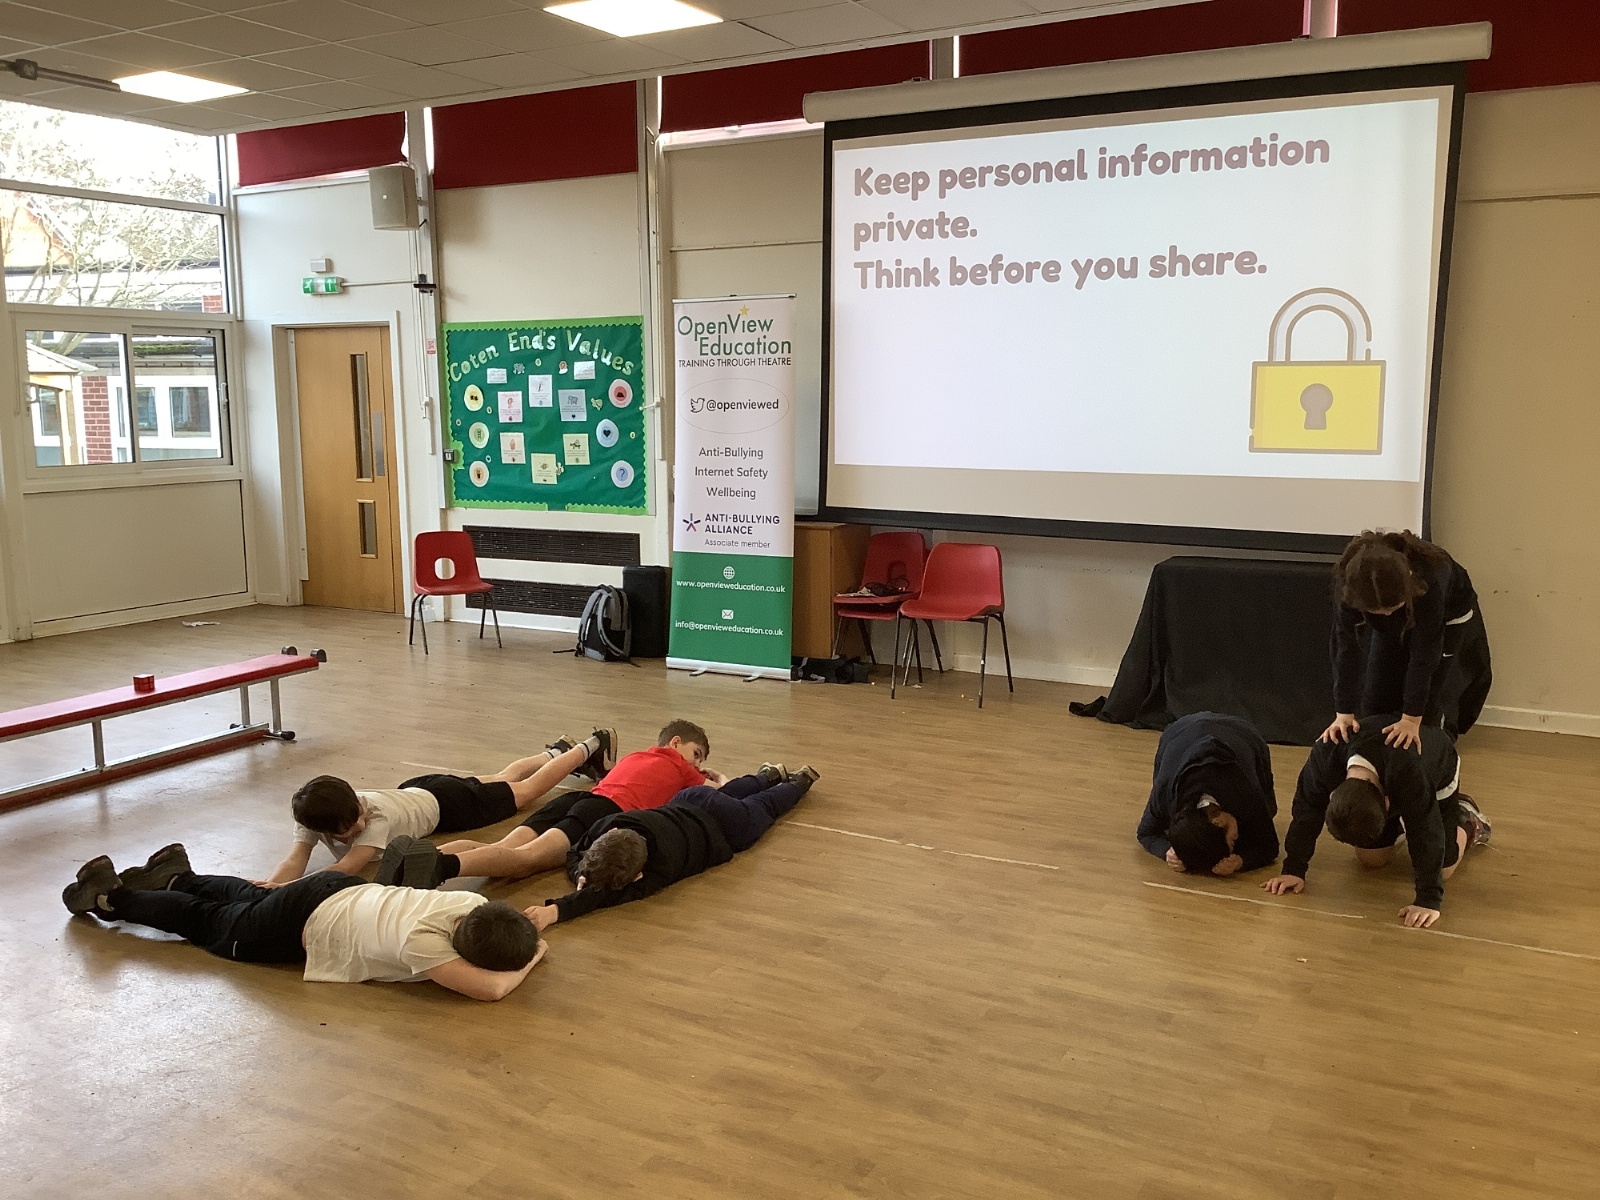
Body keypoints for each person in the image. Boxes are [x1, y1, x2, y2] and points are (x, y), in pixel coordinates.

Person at [62, 844, 546, 1000]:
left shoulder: (464, 904)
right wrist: (534, 955)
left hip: (335, 889)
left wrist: (532, 933)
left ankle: (178, 876)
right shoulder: (426, 946)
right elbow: (491, 989)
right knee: (210, 922)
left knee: (249, 896)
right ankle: (112, 898)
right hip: (302, 926)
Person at [385, 766, 819, 930]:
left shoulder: (645, 858)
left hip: (710, 821)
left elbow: (604, 894)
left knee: (762, 810)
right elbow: (580, 858)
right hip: (694, 801)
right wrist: (570, 888)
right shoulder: (611, 828)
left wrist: (561, 906)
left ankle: (793, 782)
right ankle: (771, 775)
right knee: (742, 795)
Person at [259, 729, 616, 885]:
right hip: (420, 790)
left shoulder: (375, 819)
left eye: (358, 816)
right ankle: (554, 752)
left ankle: (590, 746)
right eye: (348, 830)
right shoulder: (315, 811)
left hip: (449, 805)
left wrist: (288, 891)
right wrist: (270, 884)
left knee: (525, 792)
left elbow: (348, 868)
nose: (360, 825)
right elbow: (295, 860)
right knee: (500, 779)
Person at [410, 720, 744, 883]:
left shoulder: (639, 756)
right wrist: (720, 777)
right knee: (525, 861)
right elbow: (723, 796)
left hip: (579, 800)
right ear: (675, 743)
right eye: (696, 754)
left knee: (503, 848)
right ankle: (441, 868)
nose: (697, 764)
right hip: (603, 812)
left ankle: (419, 858)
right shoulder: (681, 768)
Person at [1262, 715, 1491, 927]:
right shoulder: (1325, 756)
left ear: (1388, 803)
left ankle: (1468, 818)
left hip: (1437, 767)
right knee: (1371, 859)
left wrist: (1428, 900)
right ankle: (1400, 825)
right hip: (1388, 777)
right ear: (1333, 794)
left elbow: (1425, 831)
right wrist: (1293, 869)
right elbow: (1306, 812)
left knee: (1444, 869)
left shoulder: (1410, 771)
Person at [1322, 530, 1491, 751]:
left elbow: (1424, 657)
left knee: (1429, 706)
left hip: (1449, 615)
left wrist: (1411, 720)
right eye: (1377, 611)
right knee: (1375, 698)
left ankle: (1435, 754)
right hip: (1406, 609)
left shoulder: (1429, 577)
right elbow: (1346, 648)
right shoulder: (1350, 585)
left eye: (1392, 608)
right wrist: (1343, 712)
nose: (1387, 615)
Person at [1136, 711, 1280, 876]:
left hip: (1240, 733)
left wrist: (1241, 860)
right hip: (1181, 736)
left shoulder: (1248, 793)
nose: (1234, 841)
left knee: (1266, 814)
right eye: (1231, 842)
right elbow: (1145, 832)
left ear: (1218, 822)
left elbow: (1270, 846)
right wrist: (1168, 851)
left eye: (1232, 840)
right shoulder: (1166, 792)